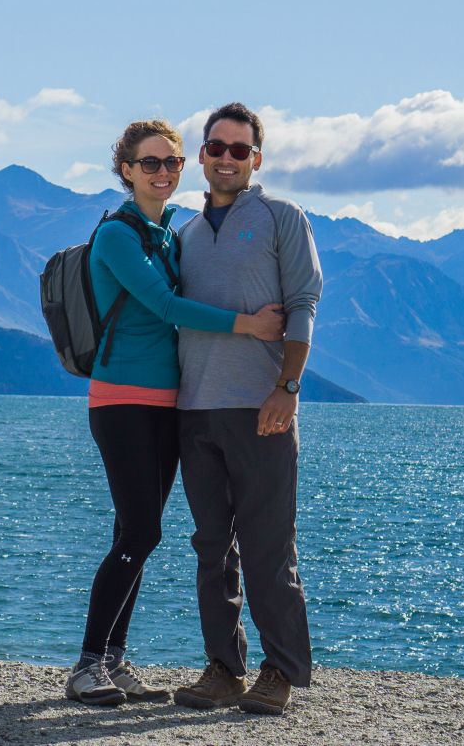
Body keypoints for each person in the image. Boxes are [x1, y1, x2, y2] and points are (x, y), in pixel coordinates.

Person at [65, 119, 287, 706]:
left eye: (172, 163)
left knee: (131, 530)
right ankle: (87, 664)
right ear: (126, 170)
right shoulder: (117, 235)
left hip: (170, 403)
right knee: (142, 530)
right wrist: (250, 325)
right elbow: (165, 306)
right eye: (150, 163)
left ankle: (113, 658)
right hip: (123, 401)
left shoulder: (167, 235)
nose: (163, 173)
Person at [170, 102, 323, 717]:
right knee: (211, 546)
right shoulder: (182, 232)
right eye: (216, 147)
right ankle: (222, 669)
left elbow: (305, 303)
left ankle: (280, 671)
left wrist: (286, 390)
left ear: (256, 159)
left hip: (261, 409)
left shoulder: (283, 218)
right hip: (194, 411)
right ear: (200, 156)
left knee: (267, 548)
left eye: (240, 149)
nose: (227, 158)